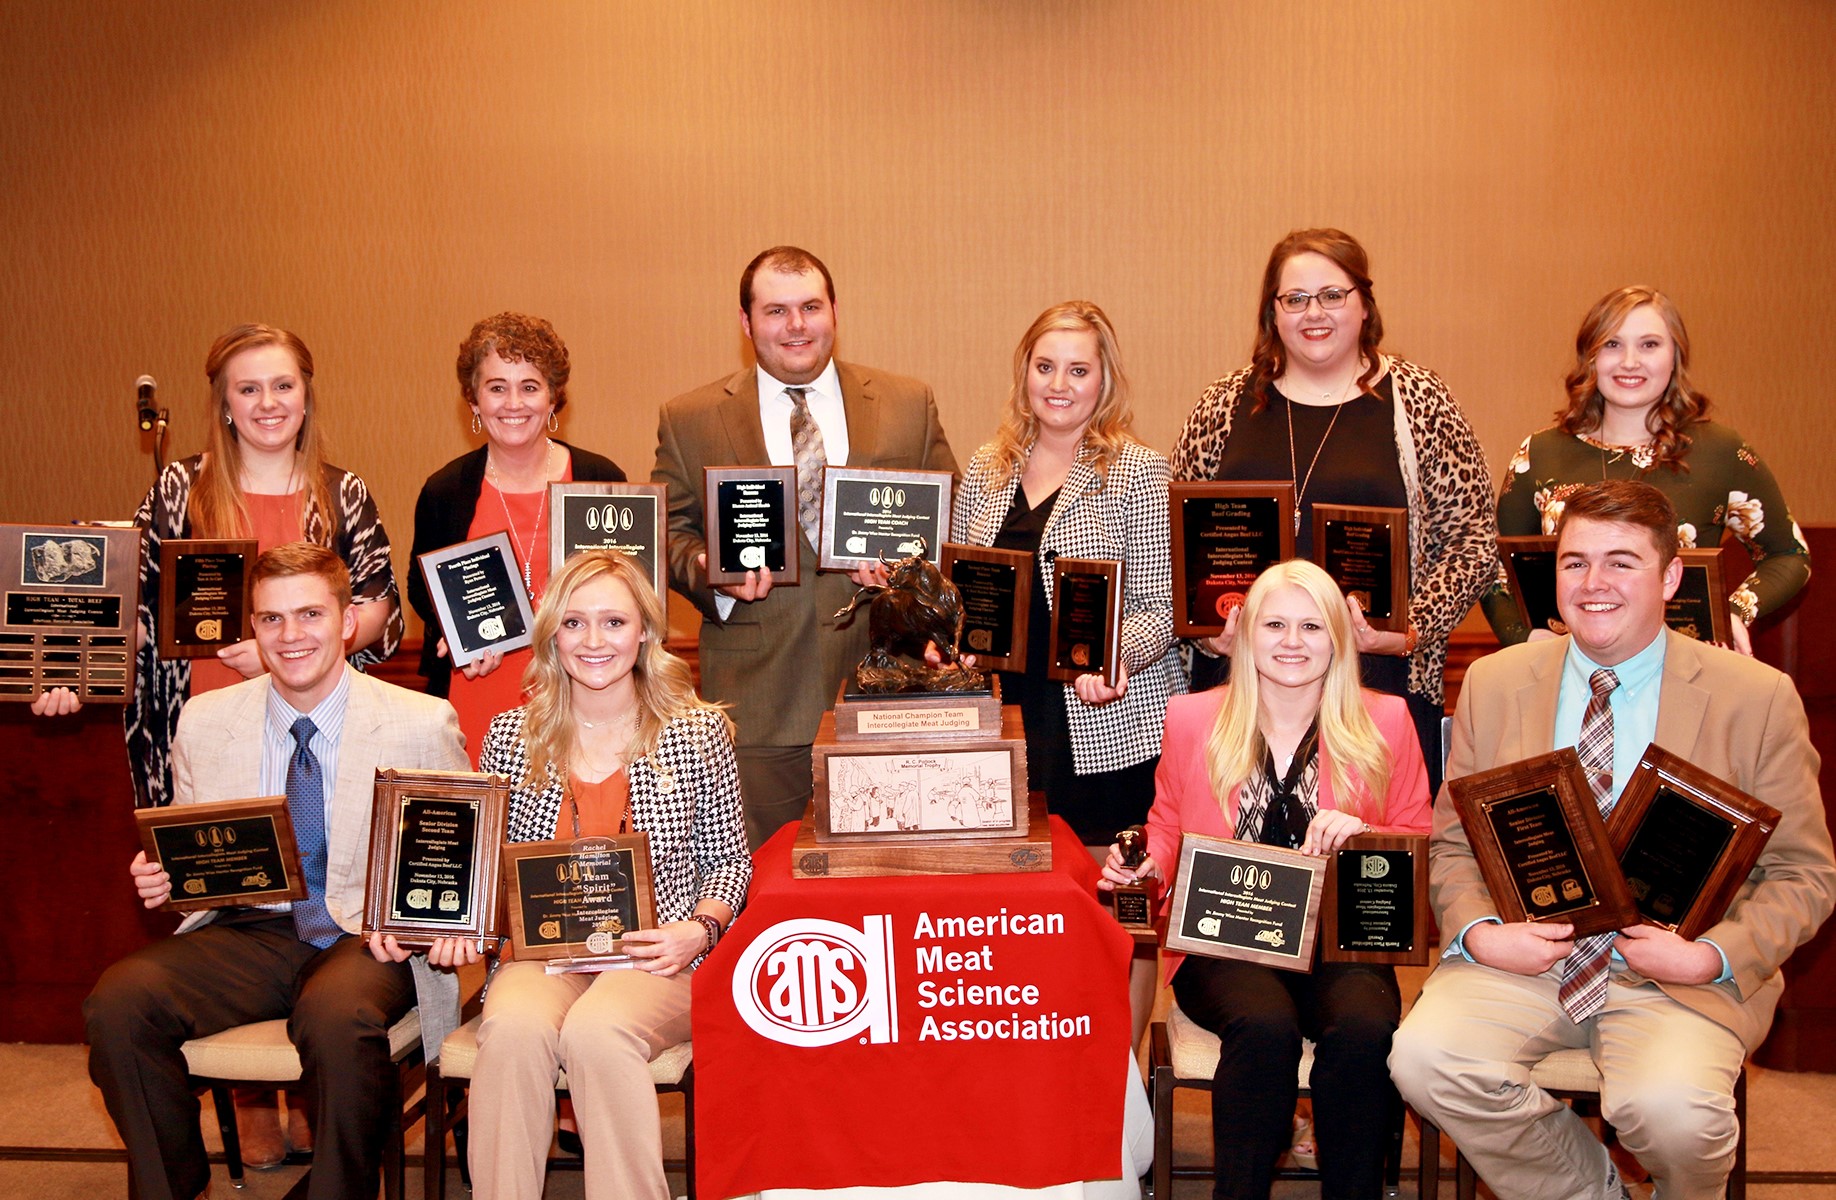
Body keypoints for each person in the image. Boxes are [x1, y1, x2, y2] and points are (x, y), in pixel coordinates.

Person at [1390, 481, 1836, 1200]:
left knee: (1674, 1115)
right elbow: (1453, 844)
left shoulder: (1755, 698)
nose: (1593, 584)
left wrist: (1713, 956)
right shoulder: (1496, 684)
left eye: (1621, 563)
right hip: (1527, 960)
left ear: (1669, 577)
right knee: (1425, 1058)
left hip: (1681, 972)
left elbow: (1806, 875)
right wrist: (1478, 932)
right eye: (1575, 563)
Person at [82, 544, 471, 1200]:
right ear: (253, 629)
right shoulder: (206, 722)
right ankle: (170, 1189)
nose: (291, 637)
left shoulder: (419, 722)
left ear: (347, 622)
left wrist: (424, 924)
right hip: (250, 931)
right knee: (118, 1004)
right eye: (270, 620)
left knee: (337, 1017)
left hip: (365, 936)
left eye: (310, 614)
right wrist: (166, 879)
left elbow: (454, 855)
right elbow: (194, 856)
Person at [1102, 559, 1431, 1199]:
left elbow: (1419, 837)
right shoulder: (1193, 717)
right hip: (1225, 937)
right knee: (1264, 1026)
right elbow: (1166, 825)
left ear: (1338, 636)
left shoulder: (1386, 720)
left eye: (1311, 626)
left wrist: (1362, 835)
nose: (1291, 641)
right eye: (1274, 623)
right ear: (1245, 632)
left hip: (1342, 942)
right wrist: (1143, 866)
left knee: (1366, 1027)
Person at [1171, 229, 1495, 796]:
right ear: (1272, 312)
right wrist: (1204, 634)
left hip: (1378, 678)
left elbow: (1472, 540)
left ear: (1364, 303)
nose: (1312, 313)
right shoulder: (1221, 404)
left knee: (1366, 867)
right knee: (1239, 864)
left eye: (1332, 295)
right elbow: (1177, 537)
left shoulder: (1418, 400)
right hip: (1242, 682)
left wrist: (1412, 629)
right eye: (1294, 299)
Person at [652, 245, 957, 847]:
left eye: (810, 307)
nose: (796, 325)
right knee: (766, 890)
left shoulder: (906, 403)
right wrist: (713, 571)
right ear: (746, 323)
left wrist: (912, 577)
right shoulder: (690, 417)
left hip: (888, 684)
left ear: (834, 312)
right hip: (758, 694)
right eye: (776, 311)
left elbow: (949, 522)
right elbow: (669, 532)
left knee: (886, 873)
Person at [468, 550, 750, 1200]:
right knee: (513, 1030)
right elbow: (486, 869)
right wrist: (466, 928)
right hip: (542, 958)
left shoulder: (698, 732)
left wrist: (700, 930)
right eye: (574, 623)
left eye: (614, 623)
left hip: (657, 960)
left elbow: (729, 860)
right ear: (552, 636)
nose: (594, 641)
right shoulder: (510, 736)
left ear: (645, 632)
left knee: (598, 1032)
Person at [951, 301, 1184, 1042]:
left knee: (1121, 911)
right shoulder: (985, 471)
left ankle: (1122, 1083)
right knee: (1032, 905)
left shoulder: (1139, 472)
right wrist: (954, 637)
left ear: (1103, 380)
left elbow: (1162, 602)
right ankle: (1052, 1063)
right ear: (1024, 375)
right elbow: (966, 593)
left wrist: (1120, 657)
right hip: (1013, 725)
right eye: (1045, 366)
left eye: (1078, 369)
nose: (1059, 384)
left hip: (1108, 724)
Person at [1482, 285, 1811, 654]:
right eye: (1612, 344)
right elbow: (1494, 568)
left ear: (1675, 356)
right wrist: (1522, 638)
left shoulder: (1721, 452)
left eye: (1650, 345)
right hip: (1569, 666)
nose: (1629, 362)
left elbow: (1789, 556)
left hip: (1684, 667)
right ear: (1589, 358)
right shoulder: (1539, 454)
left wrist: (1734, 612)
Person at [408, 312, 626, 761]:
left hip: (586, 692)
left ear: (553, 400)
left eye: (529, 386)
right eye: (496, 387)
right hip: (481, 688)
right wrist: (454, 636)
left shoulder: (600, 479)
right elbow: (421, 588)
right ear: (473, 400)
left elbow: (633, 589)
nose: (514, 403)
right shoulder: (444, 491)